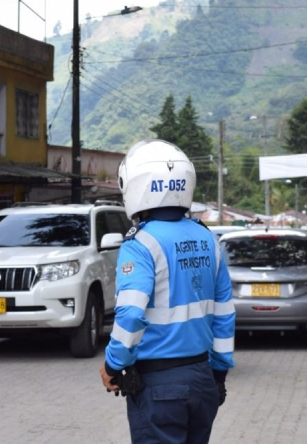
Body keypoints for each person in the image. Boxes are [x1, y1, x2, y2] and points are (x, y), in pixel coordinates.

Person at [98, 139, 235, 443]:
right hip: (203, 379)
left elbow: (131, 316)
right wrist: (219, 374)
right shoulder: (208, 240)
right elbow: (224, 315)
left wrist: (112, 364)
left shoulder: (141, 245)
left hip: (159, 386)